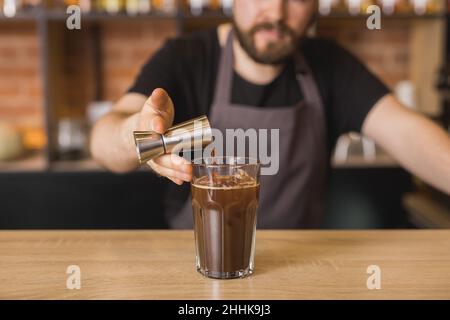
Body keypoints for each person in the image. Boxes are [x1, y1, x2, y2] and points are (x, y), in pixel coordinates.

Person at [91, 0, 450, 228]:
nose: (276, 12)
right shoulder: (185, 58)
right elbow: (103, 139)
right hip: (195, 266)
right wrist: (138, 135)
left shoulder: (331, 66)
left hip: (302, 265)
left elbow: (408, 133)